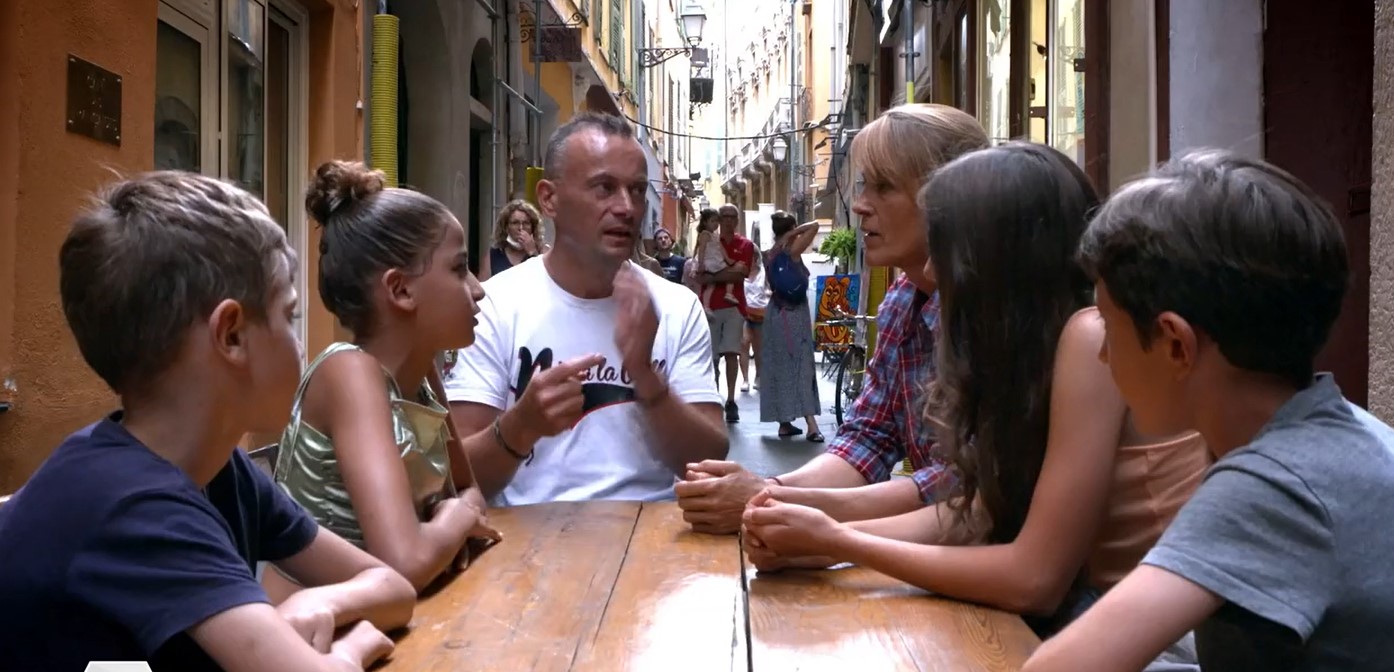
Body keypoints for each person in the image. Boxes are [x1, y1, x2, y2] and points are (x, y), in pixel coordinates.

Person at [741, 143, 1211, 643]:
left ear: (995, 261)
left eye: (942, 251)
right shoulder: (1025, 351)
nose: (930, 274)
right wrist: (818, 541)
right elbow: (976, 515)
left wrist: (839, 541)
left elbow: (1035, 579)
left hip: (1160, 644)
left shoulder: (1089, 338)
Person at [0, 171, 416, 671]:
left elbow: (393, 587)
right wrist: (354, 647)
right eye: (291, 316)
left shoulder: (220, 471)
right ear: (232, 335)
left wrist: (321, 601)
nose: (299, 345)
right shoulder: (137, 507)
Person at [1024, 151, 1394, 670]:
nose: (1104, 356)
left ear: (1176, 344)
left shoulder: (1274, 485)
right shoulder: (1343, 435)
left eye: (1109, 327)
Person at [675, 103, 988, 534]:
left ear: (948, 196)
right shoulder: (901, 300)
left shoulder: (995, 310)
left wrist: (777, 502)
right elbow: (870, 438)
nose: (860, 206)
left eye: (883, 187)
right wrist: (772, 492)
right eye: (863, 186)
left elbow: (967, 486)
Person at [441, 112, 729, 506]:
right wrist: (520, 426)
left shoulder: (676, 307)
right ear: (549, 199)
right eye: (604, 188)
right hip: (526, 545)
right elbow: (459, 480)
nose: (626, 207)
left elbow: (708, 460)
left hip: (652, 540)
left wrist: (646, 377)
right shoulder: (494, 306)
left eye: (637, 190)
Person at [272, 161, 500, 593]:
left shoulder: (423, 370)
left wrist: (450, 524)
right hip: (312, 640)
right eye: (458, 268)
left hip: (392, 622)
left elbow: (470, 494)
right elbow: (407, 560)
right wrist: (454, 524)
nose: (477, 288)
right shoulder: (349, 372)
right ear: (399, 290)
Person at [759, 211, 824, 441]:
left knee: (779, 366)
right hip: (795, 314)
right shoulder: (792, 250)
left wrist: (784, 236)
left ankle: (784, 423)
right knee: (802, 366)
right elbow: (815, 226)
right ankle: (812, 425)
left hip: (775, 313)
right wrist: (795, 233)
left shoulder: (769, 253)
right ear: (792, 228)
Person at [698, 204, 759, 423]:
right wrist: (726, 274)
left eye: (733, 217)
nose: (728, 221)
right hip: (711, 306)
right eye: (724, 217)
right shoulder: (710, 239)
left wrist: (716, 275)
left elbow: (741, 274)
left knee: (732, 352)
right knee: (712, 356)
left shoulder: (745, 244)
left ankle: (731, 400)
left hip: (734, 307)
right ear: (719, 219)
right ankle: (714, 398)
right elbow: (701, 275)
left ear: (737, 220)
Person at [479, 199, 547, 281]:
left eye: (526, 223)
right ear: (506, 227)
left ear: (533, 227)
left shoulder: (543, 252)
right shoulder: (493, 255)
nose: (521, 228)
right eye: (515, 223)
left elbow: (547, 283)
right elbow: (482, 288)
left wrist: (532, 252)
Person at [694, 211, 742, 313]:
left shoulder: (715, 235)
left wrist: (728, 259)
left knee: (711, 285)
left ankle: (706, 306)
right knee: (731, 274)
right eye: (712, 221)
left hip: (716, 261)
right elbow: (701, 250)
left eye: (717, 221)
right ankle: (729, 293)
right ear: (705, 223)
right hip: (711, 261)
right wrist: (701, 264)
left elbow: (721, 249)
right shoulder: (705, 234)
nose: (715, 224)